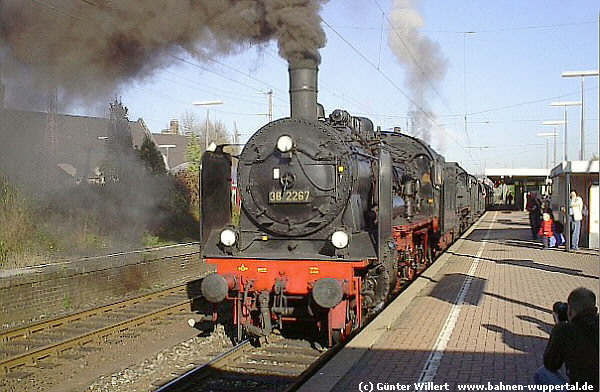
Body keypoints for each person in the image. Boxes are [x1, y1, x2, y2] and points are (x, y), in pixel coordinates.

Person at [534, 287, 599, 390]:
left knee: (541, 374)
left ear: (570, 310)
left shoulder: (565, 330)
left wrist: (558, 329)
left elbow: (551, 364)